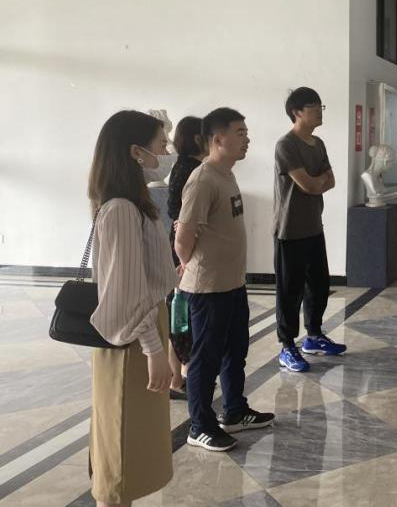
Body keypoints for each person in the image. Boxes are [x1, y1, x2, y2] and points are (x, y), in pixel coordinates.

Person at [87, 110, 179, 506]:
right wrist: (154, 349)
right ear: (136, 152)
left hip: (143, 329)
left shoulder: (134, 204)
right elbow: (127, 294)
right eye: (161, 145)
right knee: (120, 450)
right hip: (131, 340)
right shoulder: (122, 209)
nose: (167, 153)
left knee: (132, 445)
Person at [175, 108, 273, 452]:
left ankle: (234, 411)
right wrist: (188, 266)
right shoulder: (202, 180)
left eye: (246, 132)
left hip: (232, 283)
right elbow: (182, 239)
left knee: (235, 351)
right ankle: (199, 426)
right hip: (208, 288)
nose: (247, 139)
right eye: (240, 133)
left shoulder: (226, 175)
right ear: (218, 139)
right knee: (205, 360)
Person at [273, 87, 347, 373]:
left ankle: (313, 336)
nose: (319, 111)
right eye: (313, 107)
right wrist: (319, 182)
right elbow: (310, 185)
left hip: (314, 225)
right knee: (289, 291)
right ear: (297, 112)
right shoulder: (286, 145)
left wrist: (319, 182)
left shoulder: (318, 143)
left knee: (318, 286)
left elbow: (330, 181)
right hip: (289, 229)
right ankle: (287, 346)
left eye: (320, 106)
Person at [166, 115, 205, 397]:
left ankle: (177, 377)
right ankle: (183, 374)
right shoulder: (192, 169)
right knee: (182, 311)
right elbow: (177, 211)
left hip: (181, 241)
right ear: (197, 138)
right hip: (184, 246)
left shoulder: (186, 166)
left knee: (179, 309)